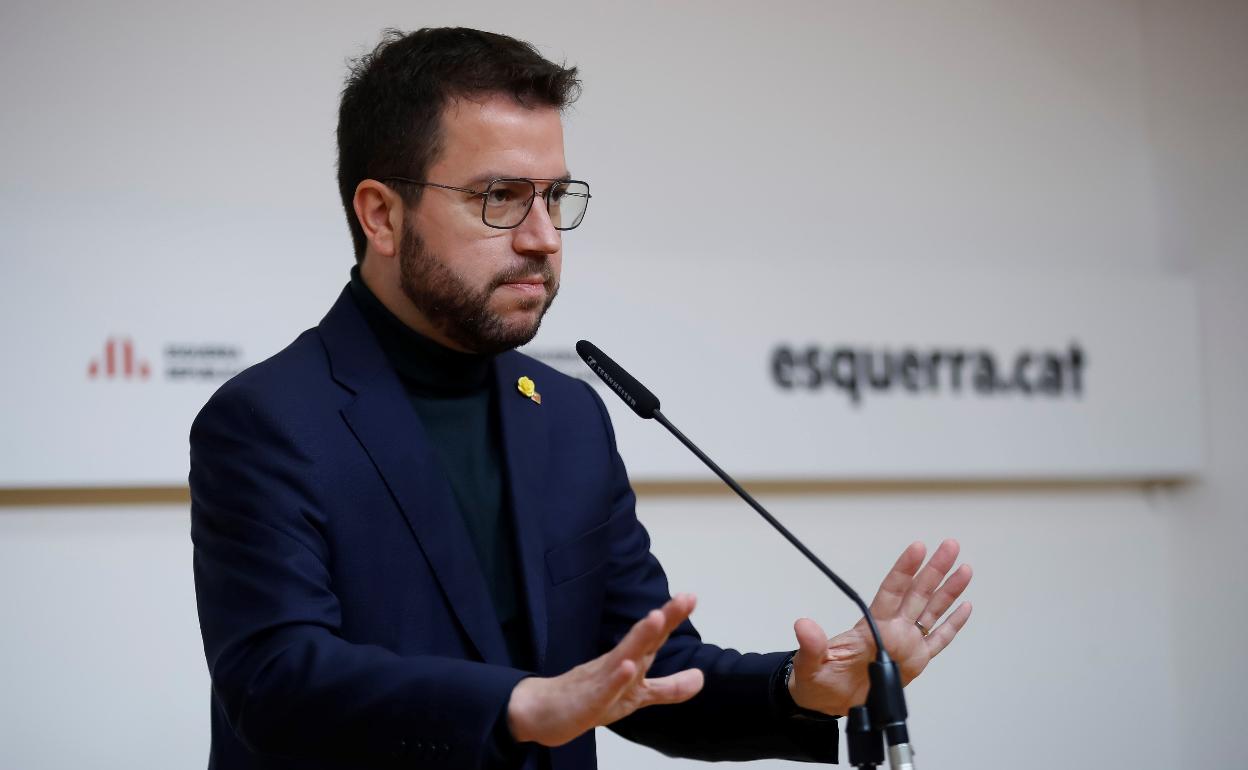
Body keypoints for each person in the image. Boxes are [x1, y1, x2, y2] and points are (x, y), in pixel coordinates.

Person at [189, 27, 972, 770]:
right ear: (382, 215)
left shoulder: (567, 417)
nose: (543, 237)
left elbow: (643, 673)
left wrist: (798, 688)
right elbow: (276, 680)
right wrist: (519, 705)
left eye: (555, 196)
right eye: (500, 196)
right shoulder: (270, 421)